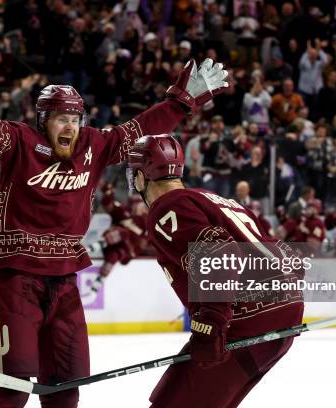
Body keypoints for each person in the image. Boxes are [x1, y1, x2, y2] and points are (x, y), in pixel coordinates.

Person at [0, 57, 227, 408]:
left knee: (66, 384)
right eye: (62, 118)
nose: (70, 127)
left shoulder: (92, 145)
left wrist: (181, 102)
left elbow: (138, 130)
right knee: (9, 385)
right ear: (44, 120)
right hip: (14, 279)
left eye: (76, 119)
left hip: (64, 279)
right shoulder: (20, 140)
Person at [128, 135, 303, 408]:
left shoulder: (167, 207)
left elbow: (219, 254)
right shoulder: (216, 199)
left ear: (140, 176)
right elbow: (283, 254)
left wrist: (211, 321)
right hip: (281, 314)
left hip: (243, 322)